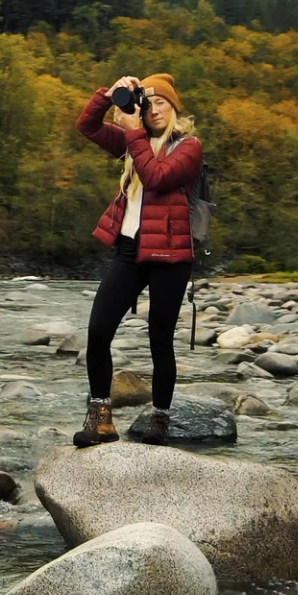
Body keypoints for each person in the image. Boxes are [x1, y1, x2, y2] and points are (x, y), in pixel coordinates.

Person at [71, 73, 202, 447]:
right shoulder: (135, 141)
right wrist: (108, 94)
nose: (156, 108)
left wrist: (133, 134)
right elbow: (87, 126)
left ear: (175, 108)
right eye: (150, 102)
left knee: (160, 339)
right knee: (98, 332)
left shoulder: (189, 147)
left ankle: (159, 419)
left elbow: (157, 176)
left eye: (163, 102)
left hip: (172, 255)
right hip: (130, 251)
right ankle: (101, 420)